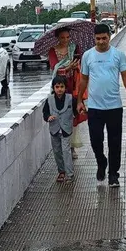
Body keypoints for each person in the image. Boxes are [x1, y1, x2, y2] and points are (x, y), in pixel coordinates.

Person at [77, 23, 126, 187]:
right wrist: (80, 100)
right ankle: (101, 161)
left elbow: (125, 76)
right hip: (95, 107)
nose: (101, 41)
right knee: (96, 140)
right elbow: (83, 80)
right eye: (98, 39)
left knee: (114, 142)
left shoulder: (118, 55)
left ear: (109, 37)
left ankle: (113, 175)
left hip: (114, 107)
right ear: (94, 39)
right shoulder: (87, 56)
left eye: (104, 38)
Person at [47, 26, 86, 161]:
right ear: (57, 38)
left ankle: (72, 146)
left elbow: (80, 61)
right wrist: (68, 67)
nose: (65, 40)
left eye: (68, 37)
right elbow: (55, 68)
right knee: (60, 116)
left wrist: (75, 66)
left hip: (73, 85)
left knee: (72, 116)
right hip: (60, 88)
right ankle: (62, 146)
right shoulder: (53, 51)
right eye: (62, 38)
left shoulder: (74, 48)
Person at [42, 75, 76, 183]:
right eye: (57, 87)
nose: (59, 89)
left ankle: (70, 174)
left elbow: (77, 110)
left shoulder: (71, 99)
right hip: (54, 129)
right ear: (53, 88)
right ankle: (61, 171)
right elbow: (45, 113)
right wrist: (48, 117)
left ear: (65, 88)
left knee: (66, 151)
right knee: (57, 151)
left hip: (66, 129)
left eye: (62, 86)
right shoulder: (49, 100)